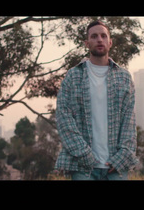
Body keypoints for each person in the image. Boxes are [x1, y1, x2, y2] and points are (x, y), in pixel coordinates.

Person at [54, 20, 138, 180]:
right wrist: (85, 155)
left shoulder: (124, 77)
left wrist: (122, 157)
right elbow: (64, 119)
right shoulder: (73, 76)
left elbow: (129, 122)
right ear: (87, 43)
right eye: (94, 36)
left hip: (115, 165)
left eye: (103, 36)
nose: (99, 39)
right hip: (83, 166)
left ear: (110, 42)